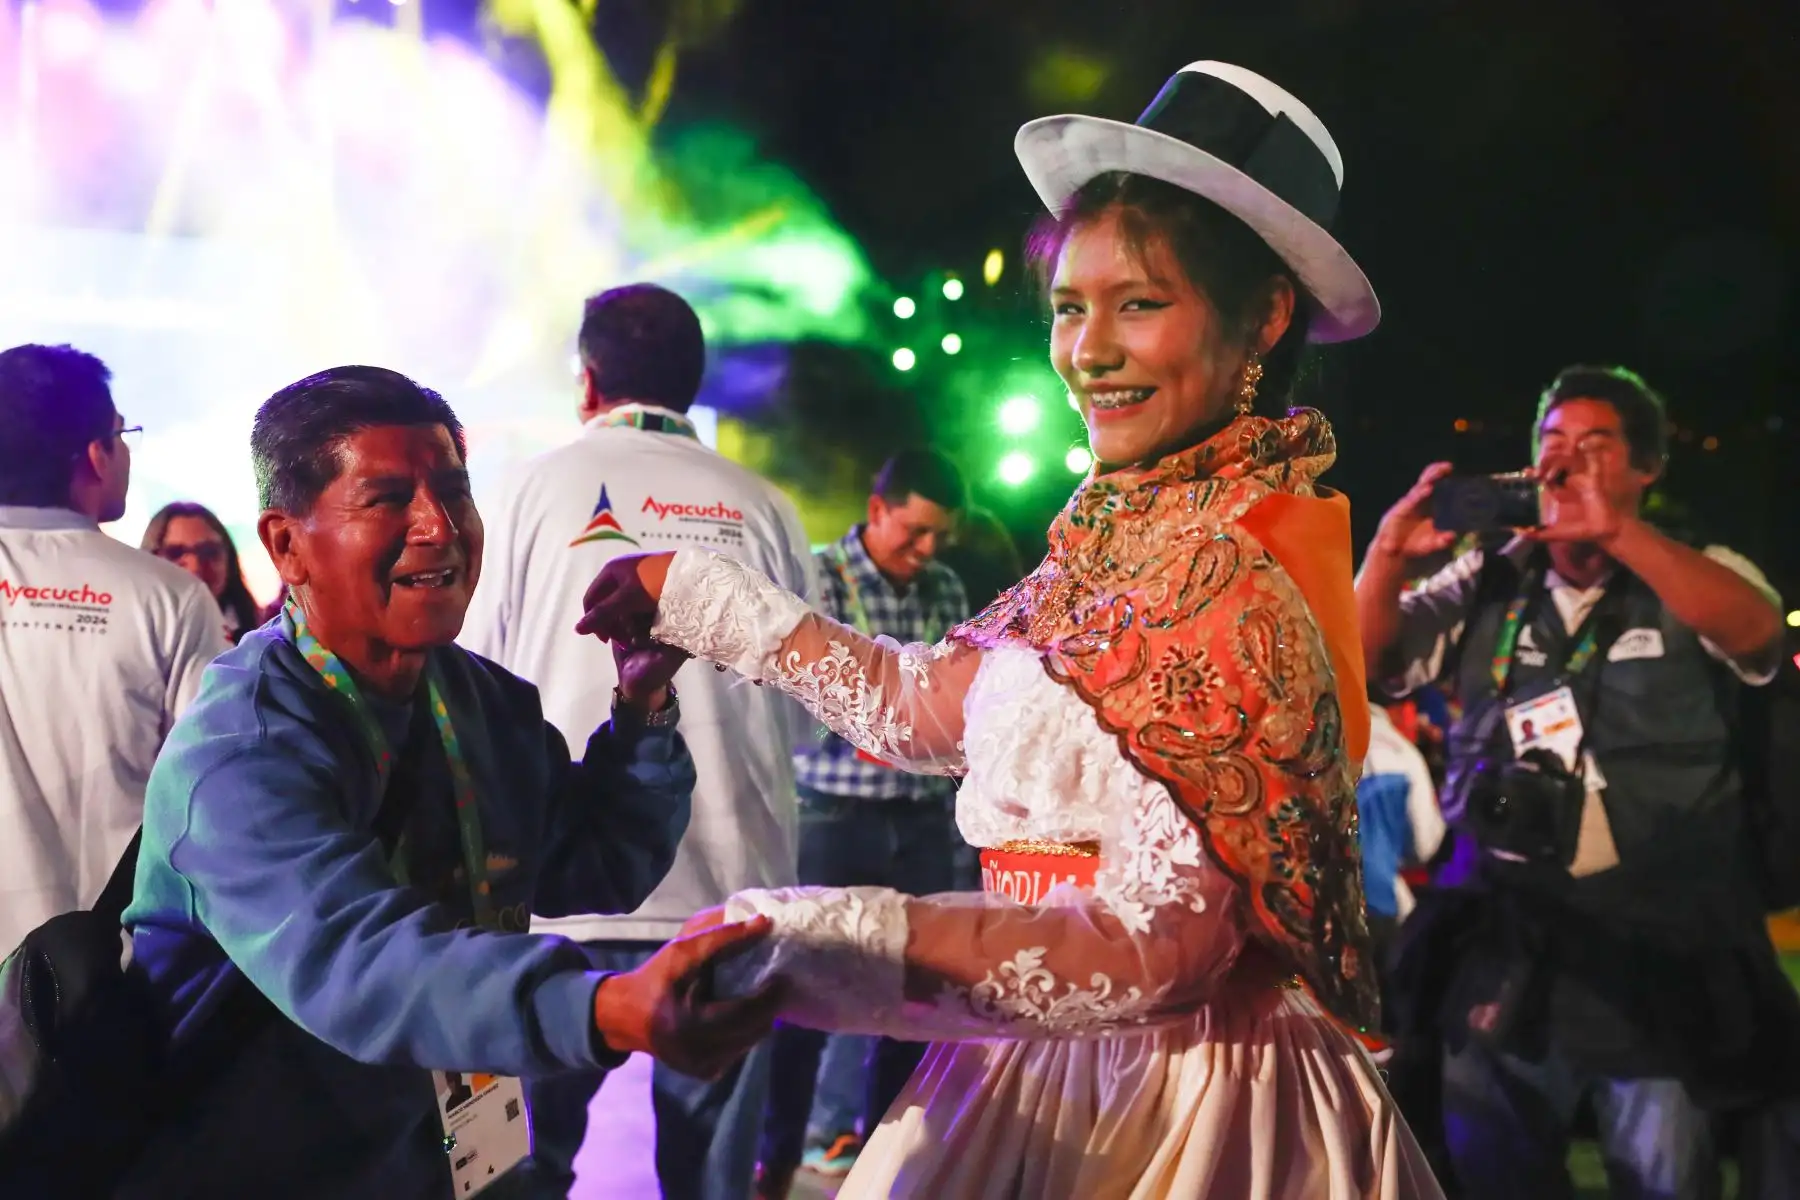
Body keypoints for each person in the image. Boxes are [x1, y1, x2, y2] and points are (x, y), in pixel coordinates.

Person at [581, 62, 1440, 1198]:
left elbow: (1158, 951)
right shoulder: (1106, 544)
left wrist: (825, 943)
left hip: (1191, 1109)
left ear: (1264, 318)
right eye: (1069, 309)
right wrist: (695, 596)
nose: (1087, 350)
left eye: (1138, 303)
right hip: (1022, 1073)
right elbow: (916, 706)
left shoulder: (1251, 567)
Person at [117, 365, 783, 1199]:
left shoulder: (482, 702)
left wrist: (643, 707)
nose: (439, 526)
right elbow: (359, 960)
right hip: (258, 1167)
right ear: (287, 545)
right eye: (388, 498)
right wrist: (596, 1008)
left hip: (437, 1155)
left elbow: (597, 864)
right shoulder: (242, 747)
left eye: (455, 492)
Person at [1357, 364, 1799, 1198]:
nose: (1563, 466)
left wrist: (1619, 532)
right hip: (1504, 937)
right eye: (1550, 446)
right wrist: (1387, 553)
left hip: (1657, 947)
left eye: (1594, 448)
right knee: (1491, 1168)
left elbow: (1757, 635)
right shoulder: (1491, 573)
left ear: (1647, 468)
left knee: (1664, 1172)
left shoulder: (1695, 565)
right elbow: (1367, 661)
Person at [461, 282, 819, 1200]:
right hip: (731, 890)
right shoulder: (766, 506)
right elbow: (807, 699)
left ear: (588, 381)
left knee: (521, 1171)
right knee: (710, 1183)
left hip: (554, 889)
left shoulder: (527, 490)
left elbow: (475, 675)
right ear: (692, 386)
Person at [751, 449, 972, 1194]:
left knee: (911, 1004)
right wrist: (907, 736)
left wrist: (919, 738)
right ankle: (775, 1162)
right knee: (802, 995)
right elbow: (801, 701)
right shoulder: (817, 579)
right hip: (832, 819)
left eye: (941, 535)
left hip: (917, 823)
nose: (928, 550)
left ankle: (885, 1168)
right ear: (877, 510)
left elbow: (954, 704)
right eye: (914, 531)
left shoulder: (944, 588)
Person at [0, 344, 227, 952]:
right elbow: (212, 796)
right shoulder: (168, 597)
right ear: (98, 455)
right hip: (103, 977)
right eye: (123, 434)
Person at [140, 501, 264, 642]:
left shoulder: (264, 639)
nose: (195, 567)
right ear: (148, 559)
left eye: (209, 551)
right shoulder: (131, 636)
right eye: (175, 553)